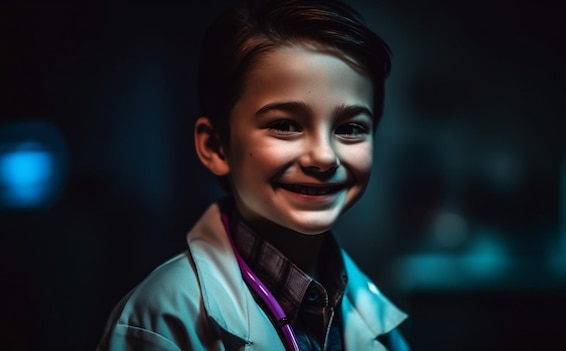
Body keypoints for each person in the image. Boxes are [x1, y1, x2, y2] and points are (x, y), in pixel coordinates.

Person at [97, 0, 409, 350]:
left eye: (350, 128)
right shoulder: (161, 320)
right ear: (216, 146)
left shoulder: (372, 318)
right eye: (285, 125)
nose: (324, 156)